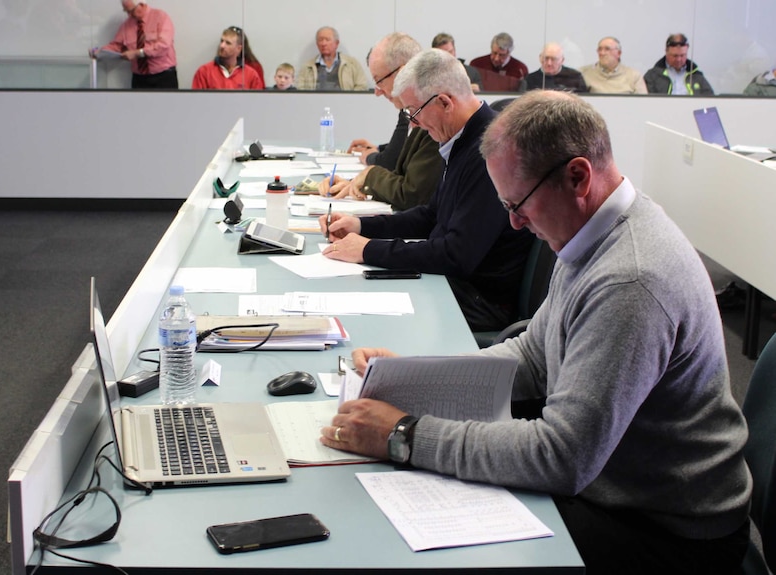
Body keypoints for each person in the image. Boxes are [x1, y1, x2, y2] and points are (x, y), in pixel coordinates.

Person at [319, 90, 752, 575]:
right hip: (615, 487)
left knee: (453, 549)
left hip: (667, 532)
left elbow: (561, 457)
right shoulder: (593, 230)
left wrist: (403, 435)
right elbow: (534, 355)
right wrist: (417, 379)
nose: (514, 222)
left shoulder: (632, 278)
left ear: (577, 176)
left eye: (518, 203)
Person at [319, 48, 533, 332]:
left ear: (445, 102)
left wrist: (369, 250)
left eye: (414, 112)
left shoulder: (489, 151)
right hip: (455, 286)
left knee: (358, 311)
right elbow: (432, 216)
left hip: (477, 300)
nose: (414, 123)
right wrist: (361, 226)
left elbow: (455, 255)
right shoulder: (463, 140)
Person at [318, 33, 444, 211]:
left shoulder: (430, 115)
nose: (377, 92)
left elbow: (412, 194)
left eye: (379, 81)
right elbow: (401, 172)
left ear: (402, 72)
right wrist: (355, 183)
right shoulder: (412, 111)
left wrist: (370, 175)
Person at [91, 0, 177, 89]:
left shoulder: (161, 17)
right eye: (126, 11)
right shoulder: (126, 25)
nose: (129, 15)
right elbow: (116, 46)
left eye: (131, 11)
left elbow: (163, 45)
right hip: (139, 79)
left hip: (164, 76)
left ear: (142, 4)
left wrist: (138, 53)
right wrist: (100, 52)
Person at [296, 26, 368, 91]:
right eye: (320, 40)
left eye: (327, 40)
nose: (323, 44)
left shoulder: (352, 63)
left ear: (336, 43)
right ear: (317, 44)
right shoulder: (307, 67)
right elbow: (300, 90)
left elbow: (362, 86)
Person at [191, 26, 263, 90]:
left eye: (228, 43)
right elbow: (196, 101)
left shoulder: (251, 75)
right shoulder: (204, 72)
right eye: (221, 41)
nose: (222, 46)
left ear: (238, 48)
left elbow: (258, 102)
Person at [644, 33, 714, 95]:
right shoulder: (652, 76)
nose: (678, 59)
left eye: (682, 55)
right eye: (675, 56)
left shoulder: (697, 76)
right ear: (666, 51)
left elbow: (709, 100)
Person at [580, 36, 647, 94]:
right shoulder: (584, 73)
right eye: (599, 49)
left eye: (607, 49)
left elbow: (643, 103)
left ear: (619, 53)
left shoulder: (634, 75)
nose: (602, 53)